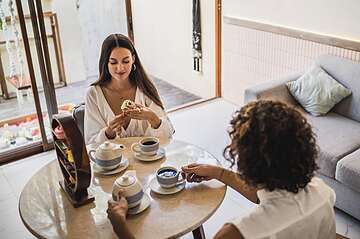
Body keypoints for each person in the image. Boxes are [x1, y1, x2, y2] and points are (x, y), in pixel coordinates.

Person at [107, 100, 336, 239]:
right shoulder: (323, 192)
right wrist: (219, 173)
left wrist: (122, 229)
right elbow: (273, 198)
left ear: (250, 164)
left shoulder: (237, 233)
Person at [84, 34, 174, 144]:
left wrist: (153, 118)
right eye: (113, 62)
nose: (120, 68)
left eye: (126, 61)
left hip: (148, 160)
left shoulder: (144, 88)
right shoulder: (94, 94)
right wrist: (109, 132)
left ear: (133, 59)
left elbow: (167, 137)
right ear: (105, 62)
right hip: (114, 161)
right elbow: (90, 144)